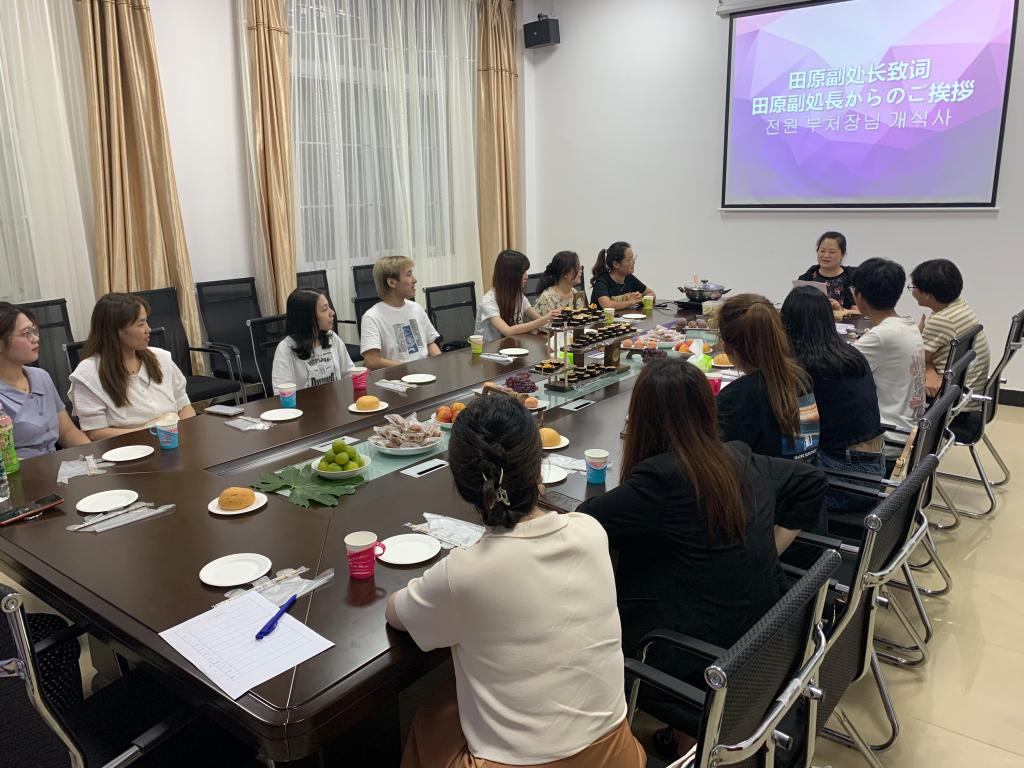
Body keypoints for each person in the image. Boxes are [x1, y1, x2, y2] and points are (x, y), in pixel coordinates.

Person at [578, 359, 825, 756]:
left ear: (642, 419)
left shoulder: (659, 481)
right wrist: (767, 548)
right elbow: (812, 481)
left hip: (699, 660)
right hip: (763, 644)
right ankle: (686, 737)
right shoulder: (738, 457)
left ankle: (679, 737)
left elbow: (583, 525)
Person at [387, 396, 644, 768]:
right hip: (616, 755)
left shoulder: (463, 573)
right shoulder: (591, 531)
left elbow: (396, 614)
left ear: (462, 482)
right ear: (538, 469)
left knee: (429, 718)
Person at [782, 287, 885, 524]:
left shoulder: (804, 368)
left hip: (845, 480)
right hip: (874, 469)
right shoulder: (850, 354)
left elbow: (800, 442)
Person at [68, 294, 195, 440]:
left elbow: (184, 406)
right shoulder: (88, 374)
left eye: (146, 321)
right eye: (141, 324)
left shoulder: (161, 357)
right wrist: (155, 433)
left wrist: (181, 432)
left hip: (174, 440)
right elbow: (96, 432)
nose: (148, 329)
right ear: (116, 331)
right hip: (128, 447)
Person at [716, 294, 820, 461]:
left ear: (726, 346)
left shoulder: (735, 399)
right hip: (806, 473)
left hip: (763, 478)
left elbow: (719, 463)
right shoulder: (800, 378)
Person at [851, 258, 926, 454]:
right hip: (910, 431)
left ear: (859, 296)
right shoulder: (907, 325)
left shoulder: (881, 336)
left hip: (889, 438)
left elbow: (833, 369)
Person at [0, 303, 89, 457]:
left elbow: (67, 432)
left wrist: (93, 453)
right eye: (26, 333)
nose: (35, 339)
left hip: (55, 465)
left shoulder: (40, 377)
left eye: (34, 331)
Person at [910, 259, 991, 410]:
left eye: (913, 287)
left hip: (952, 403)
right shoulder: (958, 305)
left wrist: (916, 337)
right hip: (966, 393)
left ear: (927, 294)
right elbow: (926, 358)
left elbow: (917, 360)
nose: (912, 291)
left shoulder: (942, 320)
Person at [359, 256, 441, 370]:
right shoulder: (372, 317)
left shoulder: (416, 308)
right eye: (408, 275)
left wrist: (441, 363)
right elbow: (371, 361)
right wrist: (408, 368)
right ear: (392, 282)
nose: (414, 280)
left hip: (424, 373)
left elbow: (430, 344)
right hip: (396, 377)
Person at [272, 289, 354, 393]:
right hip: (303, 403)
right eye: (325, 309)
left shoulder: (332, 337)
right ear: (308, 317)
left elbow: (349, 373)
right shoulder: (285, 348)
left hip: (335, 401)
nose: (332, 312)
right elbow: (281, 393)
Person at [475, 250, 560, 342]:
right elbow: (507, 331)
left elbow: (536, 318)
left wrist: (553, 319)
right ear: (509, 275)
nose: (526, 277)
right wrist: (544, 320)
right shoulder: (488, 301)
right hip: (489, 349)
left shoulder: (518, 295)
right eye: (523, 272)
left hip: (513, 345)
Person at [797, 231, 857, 310]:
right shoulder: (806, 278)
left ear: (843, 254)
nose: (826, 255)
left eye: (832, 252)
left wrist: (841, 309)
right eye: (822, 251)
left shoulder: (852, 279)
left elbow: (860, 311)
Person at [590, 241, 655, 310]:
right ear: (616, 264)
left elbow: (651, 293)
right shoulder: (602, 281)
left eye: (633, 258)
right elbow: (607, 306)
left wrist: (640, 299)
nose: (633, 262)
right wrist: (631, 302)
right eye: (629, 260)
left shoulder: (629, 277)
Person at [532, 250, 583, 315]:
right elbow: (539, 321)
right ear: (564, 273)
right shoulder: (547, 298)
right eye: (577, 268)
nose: (581, 271)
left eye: (580, 267)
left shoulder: (575, 293)